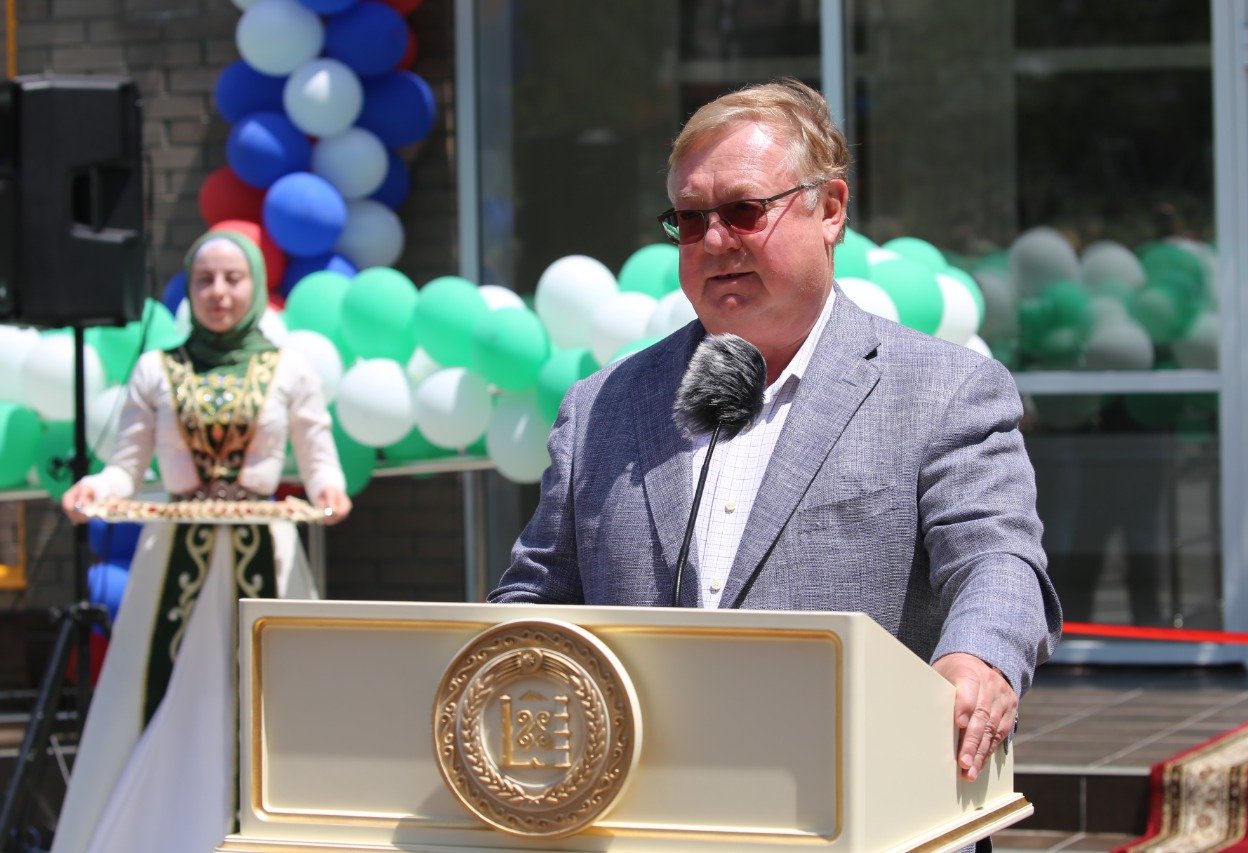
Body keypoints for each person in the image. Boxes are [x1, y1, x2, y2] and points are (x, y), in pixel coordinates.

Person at [489, 79, 1062, 789]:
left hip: (863, 800)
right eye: (690, 220)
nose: (715, 240)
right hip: (643, 807)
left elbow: (997, 560)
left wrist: (979, 657)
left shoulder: (945, 389)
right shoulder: (601, 406)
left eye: (744, 210)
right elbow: (535, 597)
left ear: (830, 209)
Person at [53, 229, 351, 853]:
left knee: (278, 697)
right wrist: (95, 487)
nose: (219, 292)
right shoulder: (156, 369)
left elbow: (319, 458)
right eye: (205, 280)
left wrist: (329, 491)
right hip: (171, 561)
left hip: (268, 558)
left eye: (233, 279)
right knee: (152, 693)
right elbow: (125, 467)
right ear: (188, 289)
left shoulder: (289, 367)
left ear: (255, 286)